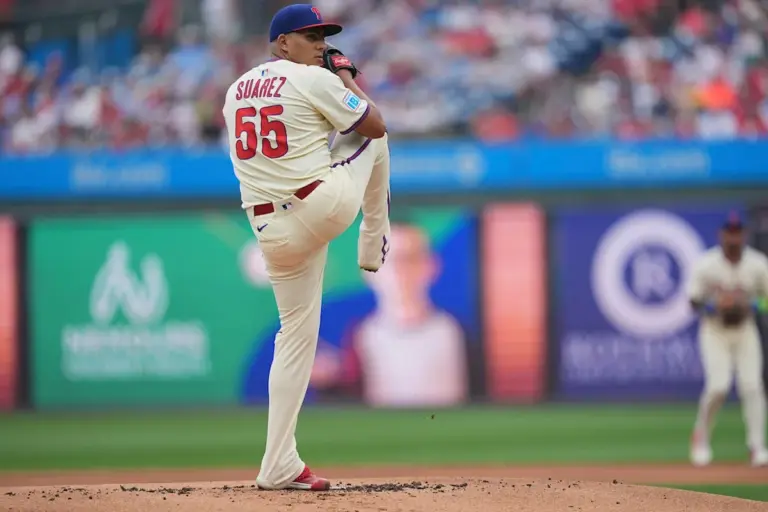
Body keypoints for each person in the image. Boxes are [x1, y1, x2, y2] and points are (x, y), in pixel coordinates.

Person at [222, 3, 391, 491]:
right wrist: (347, 76)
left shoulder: (235, 89)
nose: (321, 45)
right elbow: (374, 123)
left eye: (323, 36)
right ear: (282, 43)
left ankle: (278, 464)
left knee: (294, 339)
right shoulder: (314, 78)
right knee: (376, 140)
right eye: (310, 36)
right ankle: (373, 241)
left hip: (269, 231)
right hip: (320, 206)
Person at [309, 222, 471, 407]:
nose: (398, 270)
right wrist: (328, 382)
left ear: (430, 265)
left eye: (409, 259)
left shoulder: (454, 332)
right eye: (384, 260)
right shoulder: (360, 338)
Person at [687, 214, 768, 467]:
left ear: (744, 235)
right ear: (721, 235)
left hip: (745, 329)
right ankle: (700, 438)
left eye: (738, 232)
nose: (733, 238)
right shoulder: (707, 264)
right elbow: (693, 301)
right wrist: (715, 306)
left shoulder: (758, 264)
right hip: (715, 331)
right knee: (718, 387)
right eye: (729, 233)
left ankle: (756, 447)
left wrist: (751, 305)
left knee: (752, 386)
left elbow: (766, 300)